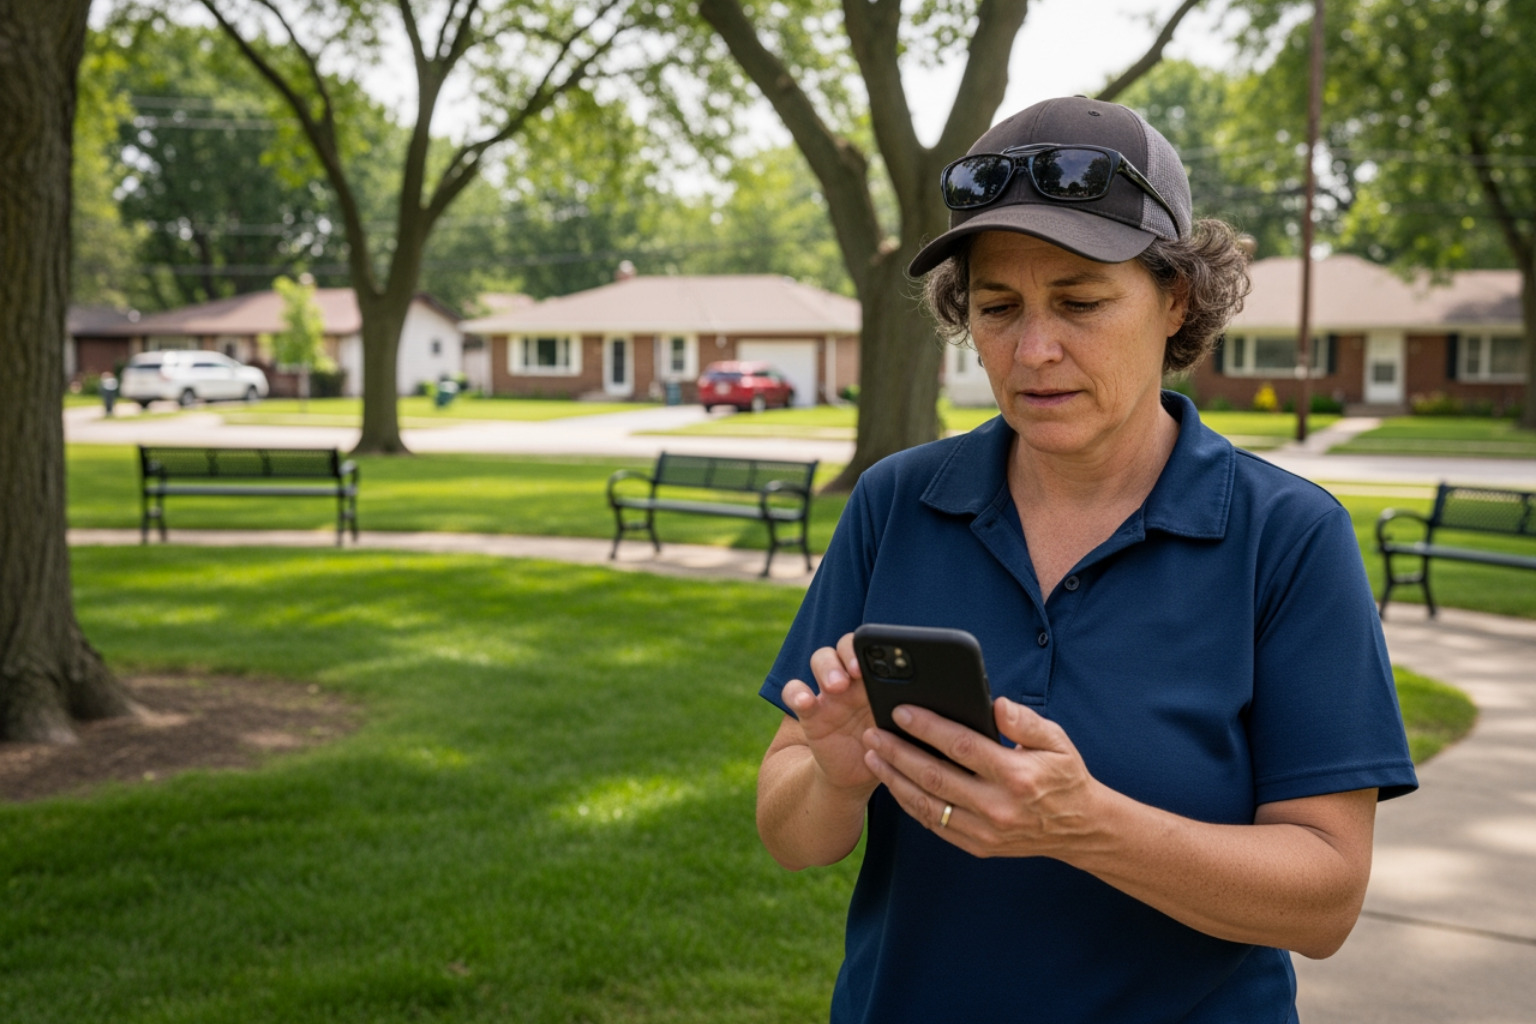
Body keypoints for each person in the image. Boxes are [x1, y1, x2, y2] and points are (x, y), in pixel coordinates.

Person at [756, 95, 1418, 1023]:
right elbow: (791, 837)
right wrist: (835, 773)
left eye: (1081, 301)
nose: (1034, 350)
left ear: (1175, 297)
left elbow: (1325, 897)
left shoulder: (1287, 535)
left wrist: (1084, 826)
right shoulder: (896, 502)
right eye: (997, 307)